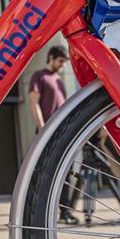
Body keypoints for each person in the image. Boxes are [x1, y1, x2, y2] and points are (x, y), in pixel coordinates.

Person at [30, 46, 77, 224]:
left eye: (64, 63)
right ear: (50, 58)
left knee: (65, 173)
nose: (62, 65)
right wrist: (42, 127)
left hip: (61, 133)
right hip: (46, 133)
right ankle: (40, 214)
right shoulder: (39, 76)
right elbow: (33, 103)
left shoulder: (58, 80)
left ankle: (65, 212)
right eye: (60, 61)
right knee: (44, 174)